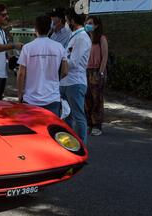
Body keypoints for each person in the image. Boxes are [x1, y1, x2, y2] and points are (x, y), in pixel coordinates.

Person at [16, 15, 68, 117]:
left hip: (30, 99)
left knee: (32, 131)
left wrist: (20, 95)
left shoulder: (27, 48)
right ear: (50, 28)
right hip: (52, 98)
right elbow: (65, 71)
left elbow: (21, 74)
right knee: (51, 130)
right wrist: (54, 80)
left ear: (35, 28)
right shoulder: (59, 47)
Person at [60, 8, 92, 144]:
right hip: (66, 82)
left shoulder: (82, 37)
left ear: (72, 21)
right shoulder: (75, 36)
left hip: (75, 83)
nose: (66, 23)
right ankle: (69, 146)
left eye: (67, 20)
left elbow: (73, 62)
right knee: (67, 116)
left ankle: (81, 147)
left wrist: (59, 62)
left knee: (78, 116)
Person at [84, 16, 108, 136]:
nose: (87, 25)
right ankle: (89, 124)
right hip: (86, 71)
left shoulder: (101, 39)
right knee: (87, 99)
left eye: (90, 23)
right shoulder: (86, 38)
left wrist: (101, 73)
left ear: (96, 25)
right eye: (87, 23)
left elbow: (105, 57)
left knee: (97, 99)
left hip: (97, 71)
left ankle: (97, 125)